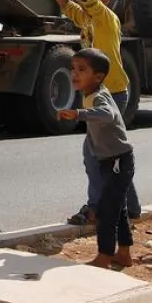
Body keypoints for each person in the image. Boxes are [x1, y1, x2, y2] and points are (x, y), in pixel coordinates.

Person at [35, 0, 142, 226]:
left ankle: (95, 207)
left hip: (113, 94)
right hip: (100, 95)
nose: (84, 3)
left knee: (94, 152)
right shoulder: (86, 18)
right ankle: (131, 206)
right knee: (112, 154)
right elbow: (67, 4)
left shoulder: (106, 17)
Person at [57, 48, 136, 270]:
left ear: (98, 77)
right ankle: (124, 254)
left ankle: (104, 256)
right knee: (117, 209)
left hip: (118, 162)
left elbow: (107, 115)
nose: (75, 73)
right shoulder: (89, 93)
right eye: (73, 68)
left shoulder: (99, 95)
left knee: (106, 211)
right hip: (109, 161)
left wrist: (78, 114)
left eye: (82, 69)